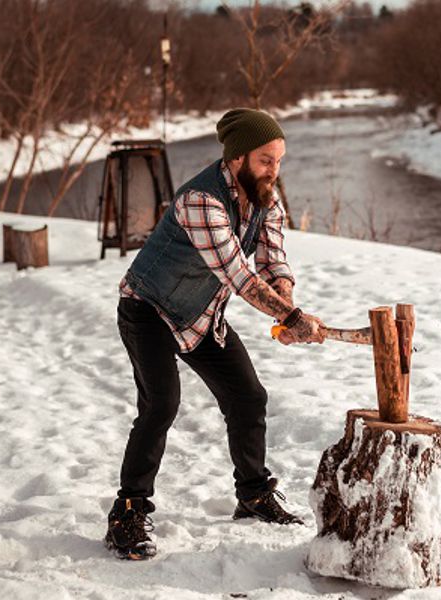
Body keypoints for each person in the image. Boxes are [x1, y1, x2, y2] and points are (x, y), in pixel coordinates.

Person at [105, 108, 326, 560]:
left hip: (201, 315)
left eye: (280, 160)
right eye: (266, 160)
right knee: (161, 403)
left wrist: (287, 306)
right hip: (147, 309)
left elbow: (272, 260)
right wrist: (294, 316)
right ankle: (127, 513)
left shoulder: (265, 195)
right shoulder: (200, 200)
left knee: (248, 397)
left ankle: (253, 493)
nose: (274, 170)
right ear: (238, 157)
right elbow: (239, 277)